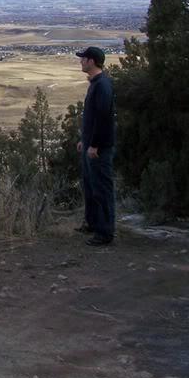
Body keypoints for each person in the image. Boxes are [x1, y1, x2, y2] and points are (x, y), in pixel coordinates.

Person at [75, 46, 116, 246]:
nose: (81, 62)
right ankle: (92, 223)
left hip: (99, 149)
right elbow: (92, 119)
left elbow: (103, 118)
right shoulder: (96, 83)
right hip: (91, 145)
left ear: (91, 61)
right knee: (90, 186)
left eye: (83, 59)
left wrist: (95, 145)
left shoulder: (102, 85)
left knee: (101, 189)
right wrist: (85, 140)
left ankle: (105, 232)